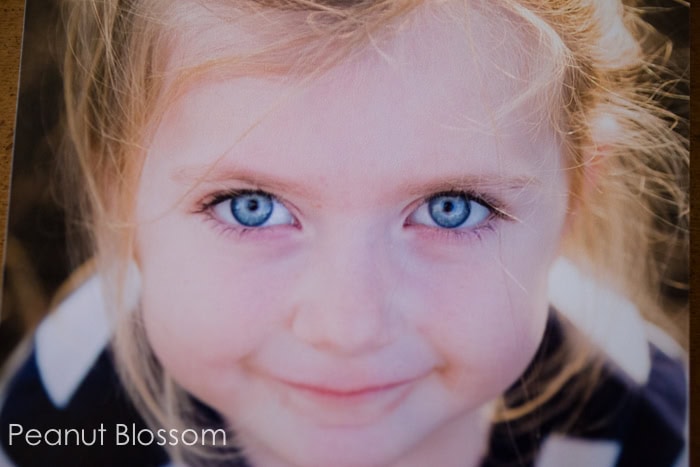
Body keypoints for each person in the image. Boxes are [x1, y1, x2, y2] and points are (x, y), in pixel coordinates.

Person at [0, 0, 688, 466]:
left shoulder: (642, 429)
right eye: (250, 205)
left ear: (576, 196)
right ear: (119, 192)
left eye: (452, 206)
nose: (348, 325)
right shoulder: (61, 412)